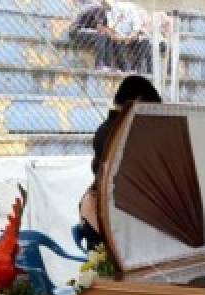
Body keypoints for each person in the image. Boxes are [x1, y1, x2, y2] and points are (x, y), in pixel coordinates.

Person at [79, 75, 162, 249]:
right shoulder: (118, 133)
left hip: (111, 212)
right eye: (151, 110)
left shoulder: (114, 128)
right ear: (137, 103)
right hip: (104, 217)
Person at [67, 0, 115, 71]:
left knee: (108, 37)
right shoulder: (99, 9)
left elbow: (107, 30)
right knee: (102, 35)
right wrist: (111, 33)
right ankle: (99, 65)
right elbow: (100, 28)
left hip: (87, 32)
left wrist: (112, 33)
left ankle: (107, 65)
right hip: (77, 31)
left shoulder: (105, 14)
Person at [108, 0, 151, 73]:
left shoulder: (132, 10)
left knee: (145, 42)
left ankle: (137, 68)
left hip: (129, 37)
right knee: (116, 43)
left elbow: (136, 28)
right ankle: (126, 69)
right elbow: (110, 30)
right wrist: (120, 37)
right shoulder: (111, 10)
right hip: (117, 38)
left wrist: (130, 37)